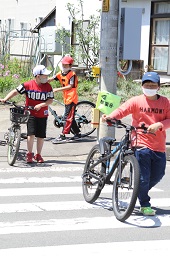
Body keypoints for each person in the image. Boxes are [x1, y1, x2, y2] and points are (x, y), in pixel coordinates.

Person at [102, 71, 170, 216]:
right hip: (139, 141)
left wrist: (159, 124)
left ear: (158, 87)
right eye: (147, 84)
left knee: (158, 174)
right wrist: (110, 116)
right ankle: (145, 203)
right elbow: (122, 110)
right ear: (142, 86)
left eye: (153, 85)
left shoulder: (165, 102)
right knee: (143, 177)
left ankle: (139, 190)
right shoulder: (136, 101)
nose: (149, 87)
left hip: (158, 145)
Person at [0, 65, 54, 163]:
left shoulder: (48, 87)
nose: (46, 77)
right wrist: (5, 99)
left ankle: (38, 155)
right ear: (38, 76)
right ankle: (29, 154)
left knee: (41, 136)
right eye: (44, 75)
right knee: (31, 134)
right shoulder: (27, 85)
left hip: (43, 114)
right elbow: (15, 92)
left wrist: (42, 105)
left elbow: (50, 100)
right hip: (31, 113)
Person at [48, 55, 81, 143]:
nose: (64, 66)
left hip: (72, 98)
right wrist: (42, 81)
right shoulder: (60, 73)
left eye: (66, 65)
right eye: (63, 64)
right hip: (66, 98)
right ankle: (77, 133)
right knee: (71, 117)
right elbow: (52, 78)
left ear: (70, 66)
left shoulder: (72, 75)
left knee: (67, 117)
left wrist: (57, 89)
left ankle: (63, 135)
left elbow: (70, 86)